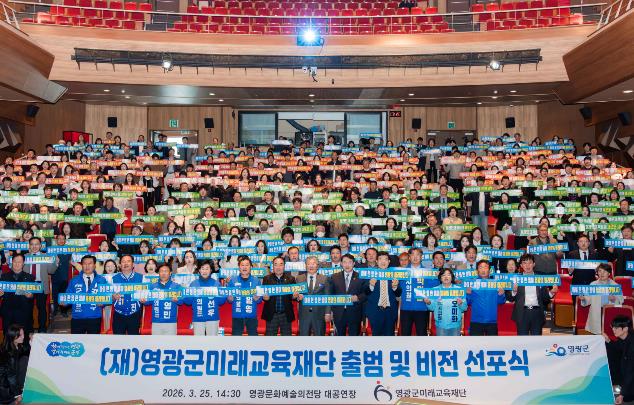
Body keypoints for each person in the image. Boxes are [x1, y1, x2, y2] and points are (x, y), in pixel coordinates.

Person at [507, 254, 558, 336]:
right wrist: (514, 291)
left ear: (534, 264)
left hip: (537, 313)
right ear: (521, 265)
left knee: (536, 340)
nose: (527, 265)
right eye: (524, 263)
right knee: (522, 340)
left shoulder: (539, 279)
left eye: (530, 263)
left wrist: (551, 292)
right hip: (522, 313)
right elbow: (510, 298)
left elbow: (545, 298)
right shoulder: (516, 279)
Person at [400, 248, 438, 336]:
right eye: (413, 254)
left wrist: (437, 278)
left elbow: (434, 288)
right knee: (405, 335)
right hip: (406, 308)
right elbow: (397, 288)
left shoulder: (428, 272)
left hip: (422, 308)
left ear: (421, 257)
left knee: (421, 335)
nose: (415, 257)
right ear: (409, 257)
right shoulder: (402, 271)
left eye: (418, 254)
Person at [66, 255, 107, 334]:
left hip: (95, 317)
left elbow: (106, 297)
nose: (87, 266)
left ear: (94, 265)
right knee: (77, 341)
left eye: (90, 263)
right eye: (84, 263)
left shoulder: (102, 280)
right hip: (77, 318)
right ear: (81, 265)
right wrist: (64, 302)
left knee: (94, 341)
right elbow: (68, 296)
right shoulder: (74, 280)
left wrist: (103, 303)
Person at [327, 253, 367, 336]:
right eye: (344, 262)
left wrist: (358, 297)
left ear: (354, 263)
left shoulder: (361, 277)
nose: (347, 265)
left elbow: (366, 293)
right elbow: (330, 294)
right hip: (338, 313)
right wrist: (330, 311)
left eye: (350, 262)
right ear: (341, 263)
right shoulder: (334, 277)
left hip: (355, 313)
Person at [580, 263, 624, 335]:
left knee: (609, 334)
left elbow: (621, 301)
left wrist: (614, 299)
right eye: (600, 271)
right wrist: (583, 299)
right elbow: (588, 299)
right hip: (596, 312)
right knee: (596, 335)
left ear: (609, 273)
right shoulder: (593, 284)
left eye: (604, 271)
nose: (602, 273)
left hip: (609, 312)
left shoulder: (615, 286)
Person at [184, 261, 226, 336]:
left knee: (212, 341)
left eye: (207, 269)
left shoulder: (216, 284)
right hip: (198, 318)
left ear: (211, 270)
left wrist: (221, 293)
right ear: (199, 270)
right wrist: (185, 293)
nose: (204, 271)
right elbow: (188, 302)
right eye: (202, 268)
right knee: (199, 342)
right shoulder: (194, 284)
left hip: (213, 318)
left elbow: (222, 301)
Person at [365, 252, 402, 336]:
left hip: (390, 312)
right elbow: (365, 292)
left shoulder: (393, 274)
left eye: (385, 259)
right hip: (375, 311)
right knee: (376, 337)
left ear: (389, 262)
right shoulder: (370, 274)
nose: (383, 262)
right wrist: (371, 285)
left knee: (389, 337)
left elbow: (398, 293)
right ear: (377, 261)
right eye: (380, 259)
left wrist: (395, 287)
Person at [466, 260, 506, 336]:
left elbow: (501, 302)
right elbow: (468, 302)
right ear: (477, 270)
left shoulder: (495, 283)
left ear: (489, 270)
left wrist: (501, 295)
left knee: (492, 344)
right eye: (480, 267)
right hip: (476, 321)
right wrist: (468, 294)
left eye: (485, 267)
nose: (483, 270)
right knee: (475, 343)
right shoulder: (472, 284)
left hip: (491, 321)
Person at [26, 237, 57, 333]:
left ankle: (42, 329)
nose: (34, 246)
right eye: (32, 244)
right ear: (29, 246)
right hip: (28, 286)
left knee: (42, 308)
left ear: (40, 246)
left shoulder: (46, 256)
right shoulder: (25, 257)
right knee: (27, 308)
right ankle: (29, 329)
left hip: (41, 285)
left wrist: (55, 262)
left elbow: (51, 271)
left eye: (36, 244)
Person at [424, 268, 468, 336]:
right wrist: (428, 303)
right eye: (443, 275)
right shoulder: (435, 290)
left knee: (455, 343)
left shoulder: (459, 290)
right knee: (441, 343)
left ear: (452, 277)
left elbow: (465, 308)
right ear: (440, 278)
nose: (446, 277)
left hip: (455, 324)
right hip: (441, 324)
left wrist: (461, 303)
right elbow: (431, 308)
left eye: (448, 275)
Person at [0, 254, 35, 336]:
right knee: (8, 336)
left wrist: (31, 296)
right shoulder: (4, 277)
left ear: (23, 263)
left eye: (19, 262)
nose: (17, 264)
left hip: (23, 312)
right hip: (8, 312)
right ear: (12, 262)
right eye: (15, 261)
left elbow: (34, 295)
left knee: (23, 336)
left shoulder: (30, 277)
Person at [261, 257, 296, 336]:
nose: (278, 267)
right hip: (271, 314)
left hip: (286, 314)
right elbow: (264, 296)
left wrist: (294, 296)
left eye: (281, 264)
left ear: (284, 266)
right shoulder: (267, 279)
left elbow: (293, 297)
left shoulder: (291, 279)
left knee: (287, 339)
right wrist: (265, 298)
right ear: (273, 266)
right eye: (276, 264)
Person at [227, 256, 262, 336]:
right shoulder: (232, 280)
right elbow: (229, 300)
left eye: (247, 265)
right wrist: (230, 298)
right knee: (236, 339)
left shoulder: (256, 281)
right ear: (239, 267)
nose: (245, 267)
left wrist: (257, 298)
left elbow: (260, 300)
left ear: (250, 267)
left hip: (251, 316)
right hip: (237, 315)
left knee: (253, 340)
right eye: (242, 265)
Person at [604, 316, 634, 405]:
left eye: (616, 328)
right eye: (612, 327)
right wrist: (608, 340)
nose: (613, 329)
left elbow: (630, 372)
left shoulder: (632, 345)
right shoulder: (624, 337)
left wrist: (622, 394)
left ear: (625, 329)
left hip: (631, 374)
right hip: (629, 372)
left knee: (628, 397)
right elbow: (617, 346)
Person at [295, 256, 329, 336]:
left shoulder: (324, 278)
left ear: (317, 266)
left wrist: (327, 313)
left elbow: (327, 296)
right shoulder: (299, 278)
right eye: (309, 264)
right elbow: (295, 295)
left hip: (319, 313)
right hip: (304, 314)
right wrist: (297, 296)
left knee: (319, 336)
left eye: (313, 263)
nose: (311, 266)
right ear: (305, 266)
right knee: (304, 338)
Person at [144, 264, 182, 336]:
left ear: (170, 273)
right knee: (156, 342)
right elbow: (148, 302)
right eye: (161, 271)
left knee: (170, 343)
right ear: (158, 273)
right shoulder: (152, 286)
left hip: (171, 322)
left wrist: (177, 300)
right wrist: (144, 301)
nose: (163, 273)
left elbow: (181, 302)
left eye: (166, 271)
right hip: (156, 321)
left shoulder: (177, 286)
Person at [111, 255, 144, 335]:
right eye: (123, 262)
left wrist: (144, 299)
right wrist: (112, 297)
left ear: (133, 264)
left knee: (134, 340)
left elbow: (146, 296)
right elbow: (107, 297)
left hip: (135, 314)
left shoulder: (141, 278)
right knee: (118, 340)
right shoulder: (113, 278)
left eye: (128, 261)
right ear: (120, 265)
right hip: (118, 314)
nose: (126, 263)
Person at [0, 325, 29, 404]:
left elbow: (24, 350)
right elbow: (11, 377)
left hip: (8, 380)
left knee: (24, 359)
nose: (23, 337)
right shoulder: (10, 355)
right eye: (20, 335)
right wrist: (17, 394)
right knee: (24, 361)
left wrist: (32, 341)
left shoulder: (15, 344)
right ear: (13, 337)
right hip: (4, 388)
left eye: (23, 334)